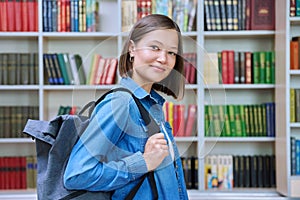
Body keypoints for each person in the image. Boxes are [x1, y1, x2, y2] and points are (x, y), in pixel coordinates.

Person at [63, 14, 188, 200]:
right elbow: (77, 174)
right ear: (132, 49)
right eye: (155, 47)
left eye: (171, 52)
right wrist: (144, 162)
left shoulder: (152, 105)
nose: (164, 58)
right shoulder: (120, 103)